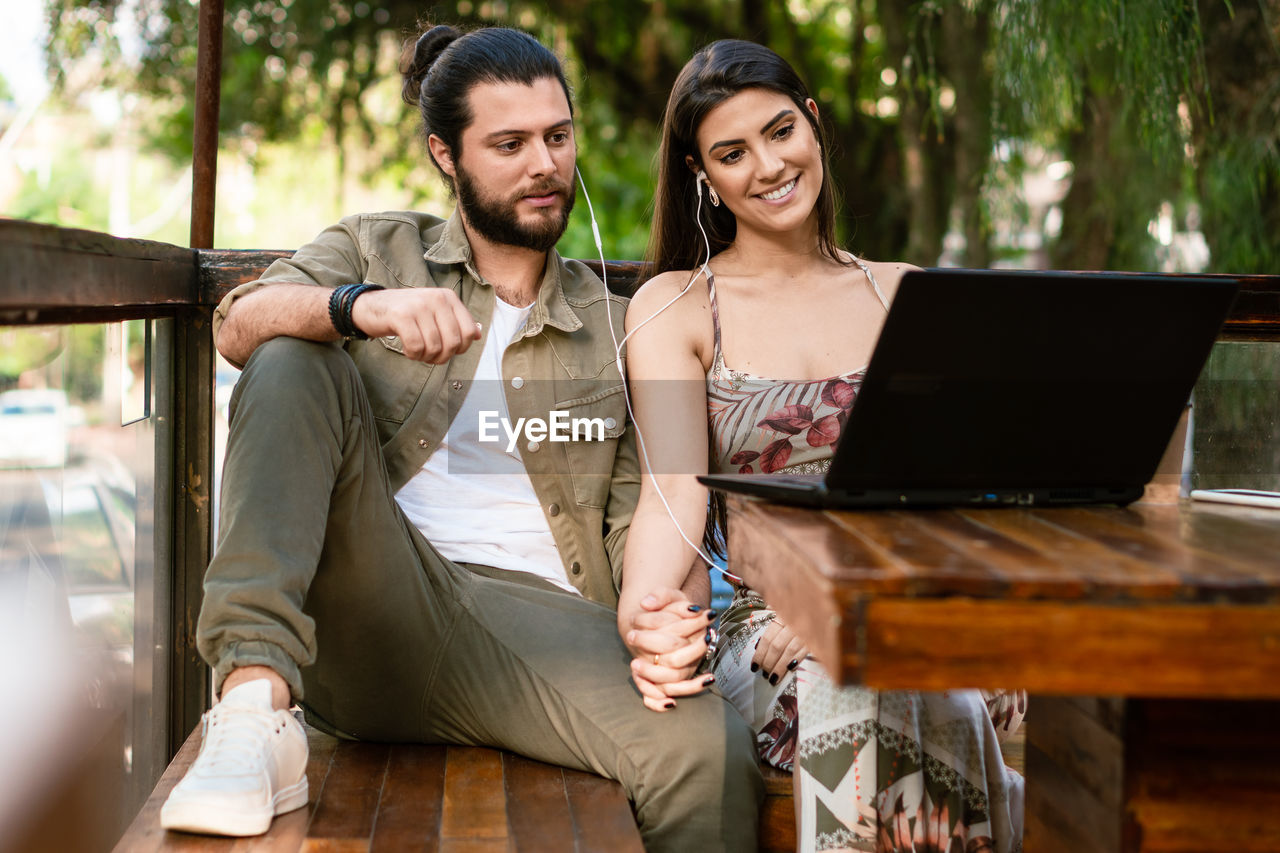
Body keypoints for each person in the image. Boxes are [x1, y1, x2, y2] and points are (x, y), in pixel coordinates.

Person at [159, 25, 762, 851]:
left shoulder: (622, 327)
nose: (544, 164)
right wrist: (358, 308)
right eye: (508, 144)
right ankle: (250, 703)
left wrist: (667, 618)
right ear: (447, 155)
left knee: (707, 750)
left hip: (538, 628)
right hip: (376, 601)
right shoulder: (376, 247)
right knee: (294, 356)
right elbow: (239, 323)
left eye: (557, 136)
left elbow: (653, 511)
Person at [622, 40, 1025, 853]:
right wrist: (644, 615)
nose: (767, 166)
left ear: (813, 123)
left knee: (919, 676)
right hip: (769, 630)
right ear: (704, 176)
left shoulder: (907, 293)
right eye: (732, 153)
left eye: (779, 132)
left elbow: (956, 499)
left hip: (918, 601)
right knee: (863, 683)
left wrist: (863, 607)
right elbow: (673, 493)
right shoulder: (677, 306)